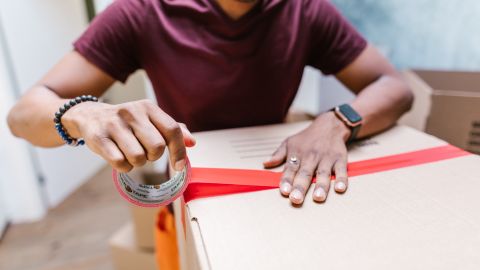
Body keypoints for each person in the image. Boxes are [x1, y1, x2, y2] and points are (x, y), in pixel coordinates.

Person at [7, 0, 413, 205]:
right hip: (191, 188)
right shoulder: (143, 12)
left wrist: (337, 121)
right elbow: (22, 116)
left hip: (273, 180)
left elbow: (395, 87)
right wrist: (83, 113)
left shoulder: (303, 10)